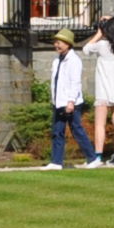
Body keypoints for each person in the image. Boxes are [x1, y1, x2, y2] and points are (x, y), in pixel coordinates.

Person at [46, 29, 89, 169]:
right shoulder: (57, 60)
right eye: (55, 42)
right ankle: (56, 161)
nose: (56, 45)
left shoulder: (74, 60)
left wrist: (71, 101)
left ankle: (92, 157)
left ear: (67, 44)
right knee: (57, 132)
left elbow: (75, 82)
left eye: (59, 42)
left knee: (77, 130)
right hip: (59, 103)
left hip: (71, 103)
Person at [87, 26, 114, 165]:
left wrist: (98, 34)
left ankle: (98, 156)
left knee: (100, 124)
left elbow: (86, 49)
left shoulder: (102, 45)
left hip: (104, 89)